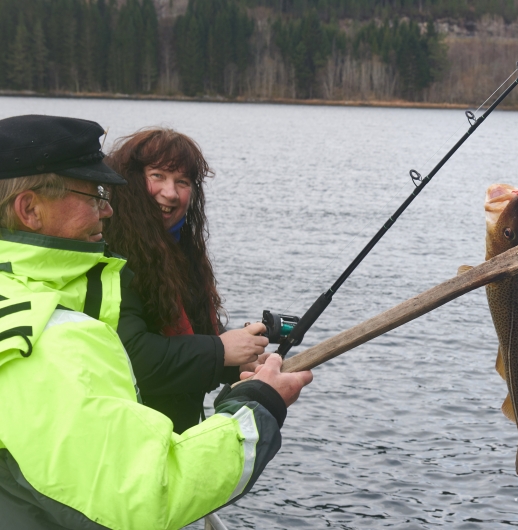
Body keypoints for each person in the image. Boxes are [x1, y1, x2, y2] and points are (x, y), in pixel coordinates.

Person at [0, 114, 313, 529]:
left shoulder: (37, 289)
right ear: (29, 209)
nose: (107, 208)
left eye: (183, 181)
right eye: (94, 195)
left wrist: (230, 359)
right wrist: (260, 403)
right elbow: (148, 494)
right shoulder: (60, 337)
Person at [103, 128, 268, 433]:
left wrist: (238, 362)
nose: (171, 193)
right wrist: (219, 351)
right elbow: (130, 356)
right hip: (125, 434)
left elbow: (191, 334)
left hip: (171, 435)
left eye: (182, 182)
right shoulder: (109, 252)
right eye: (158, 176)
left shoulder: (180, 250)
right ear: (130, 181)